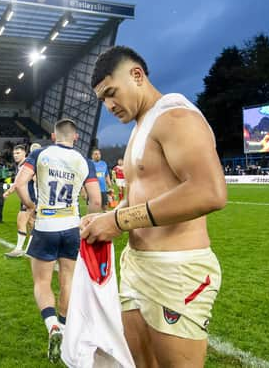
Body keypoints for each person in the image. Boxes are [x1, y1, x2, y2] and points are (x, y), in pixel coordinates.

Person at [82, 46, 227, 368]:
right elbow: (137, 196)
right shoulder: (140, 128)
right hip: (137, 265)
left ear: (137, 75)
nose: (108, 106)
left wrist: (118, 221)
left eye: (111, 93)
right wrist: (107, 216)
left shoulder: (176, 117)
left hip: (177, 269)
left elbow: (210, 192)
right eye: (102, 99)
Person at [13, 119, 102, 363]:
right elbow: (95, 199)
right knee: (68, 279)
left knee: (42, 282)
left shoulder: (40, 153)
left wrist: (31, 207)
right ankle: (63, 329)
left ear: (53, 136)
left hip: (45, 226)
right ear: (76, 138)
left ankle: (52, 326)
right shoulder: (84, 161)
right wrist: (89, 221)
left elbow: (19, 183)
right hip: (72, 227)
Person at [2, 144, 37, 257]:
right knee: (32, 223)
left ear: (24, 153)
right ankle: (31, 249)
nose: (15, 155)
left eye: (18, 153)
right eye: (14, 153)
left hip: (30, 198)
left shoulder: (27, 165)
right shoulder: (21, 165)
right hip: (27, 198)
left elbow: (33, 179)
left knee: (21, 221)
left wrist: (8, 192)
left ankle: (18, 249)